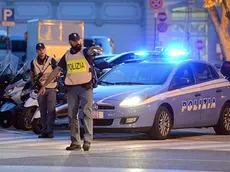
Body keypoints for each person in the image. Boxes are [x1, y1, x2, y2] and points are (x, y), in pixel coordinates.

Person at [38, 33, 102, 151]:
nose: (76, 42)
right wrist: (44, 86)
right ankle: (75, 142)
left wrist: (96, 48)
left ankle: (87, 140)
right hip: (72, 88)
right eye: (73, 40)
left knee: (87, 113)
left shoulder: (84, 51)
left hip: (85, 87)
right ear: (70, 42)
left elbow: (91, 50)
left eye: (77, 40)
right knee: (72, 115)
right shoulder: (67, 56)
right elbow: (55, 71)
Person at [30, 43, 57, 138]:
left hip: (51, 88)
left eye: (43, 49)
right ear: (37, 51)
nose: (41, 51)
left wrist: (47, 76)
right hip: (40, 89)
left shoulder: (51, 60)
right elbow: (32, 76)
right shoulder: (33, 62)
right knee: (42, 111)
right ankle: (44, 131)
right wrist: (35, 85)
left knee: (51, 111)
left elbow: (58, 73)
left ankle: (50, 131)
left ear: (45, 50)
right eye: (39, 50)